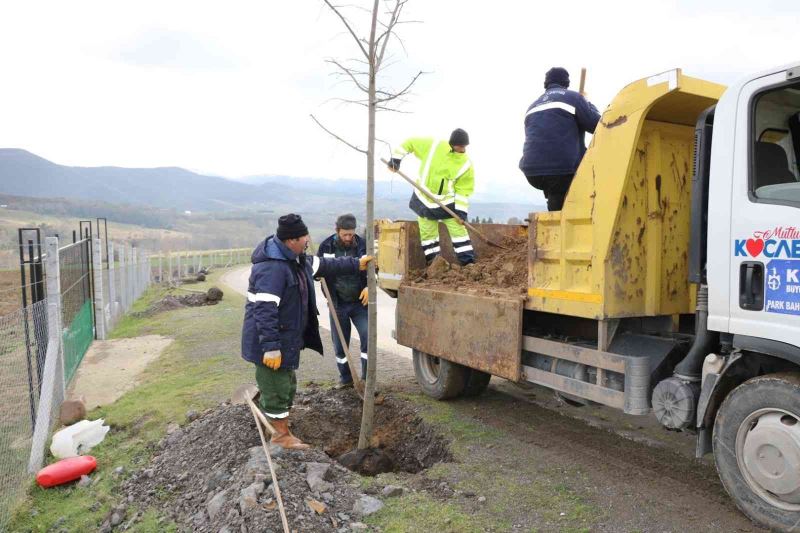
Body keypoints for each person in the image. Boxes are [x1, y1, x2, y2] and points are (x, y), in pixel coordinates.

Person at [241, 214, 373, 450]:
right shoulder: (273, 268)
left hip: (285, 337)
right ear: (291, 240)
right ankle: (280, 437)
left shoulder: (295, 259)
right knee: (276, 385)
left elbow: (325, 265)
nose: (307, 241)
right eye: (304, 237)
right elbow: (264, 311)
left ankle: (280, 424)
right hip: (270, 342)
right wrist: (270, 347)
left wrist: (357, 263)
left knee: (287, 382)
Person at [387, 129, 476, 265]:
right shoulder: (433, 146)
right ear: (452, 143)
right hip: (423, 198)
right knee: (428, 235)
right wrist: (396, 158)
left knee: (459, 232)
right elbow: (410, 143)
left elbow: (463, 190)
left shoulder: (465, 164)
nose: (462, 149)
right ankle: (435, 265)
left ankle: (468, 263)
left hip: (447, 203)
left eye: (464, 146)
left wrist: (461, 211)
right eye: (460, 146)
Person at [519, 67, 601, 211]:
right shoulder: (574, 98)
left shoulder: (532, 106)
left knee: (556, 192)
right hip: (560, 169)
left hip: (531, 171)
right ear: (566, 82)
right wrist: (586, 102)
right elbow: (596, 125)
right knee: (564, 188)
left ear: (546, 83)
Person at [316, 213, 368, 388]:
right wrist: (317, 276)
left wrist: (370, 286)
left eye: (351, 234)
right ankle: (345, 379)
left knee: (368, 336)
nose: (348, 238)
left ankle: (367, 379)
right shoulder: (326, 246)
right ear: (337, 231)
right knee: (340, 345)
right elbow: (317, 269)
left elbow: (374, 268)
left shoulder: (362, 245)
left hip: (360, 304)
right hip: (337, 304)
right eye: (345, 234)